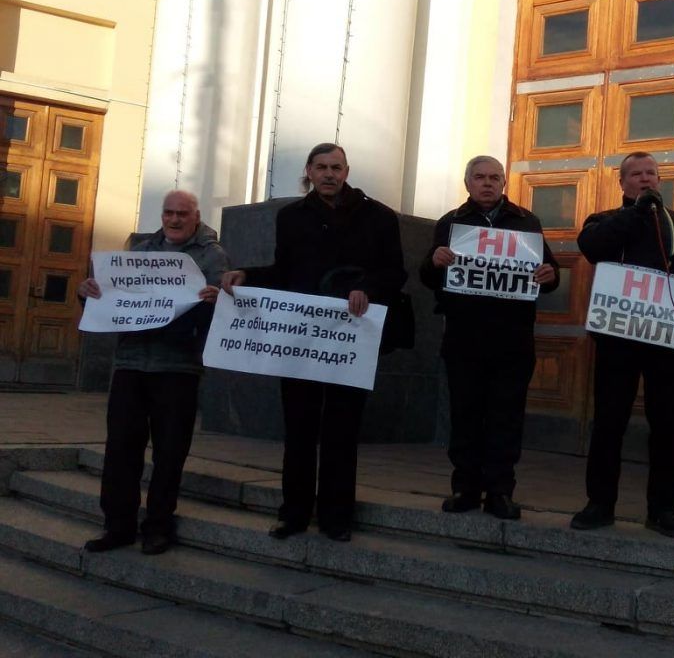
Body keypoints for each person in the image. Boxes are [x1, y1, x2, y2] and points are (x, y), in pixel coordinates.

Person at [221, 143, 405, 542]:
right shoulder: (292, 217)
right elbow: (284, 272)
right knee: (300, 428)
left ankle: (337, 517)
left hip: (350, 339)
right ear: (309, 170)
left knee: (342, 429)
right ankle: (294, 513)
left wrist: (366, 290)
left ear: (346, 170)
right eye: (321, 167)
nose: (328, 174)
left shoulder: (379, 217)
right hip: (301, 340)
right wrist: (246, 276)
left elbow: (395, 272)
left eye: (336, 167)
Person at [571, 151, 674, 538]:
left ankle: (662, 509)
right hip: (618, 339)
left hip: (667, 341)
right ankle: (599, 503)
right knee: (609, 422)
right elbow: (592, 247)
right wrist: (633, 213)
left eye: (651, 173)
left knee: (668, 426)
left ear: (660, 180)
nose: (645, 179)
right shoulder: (605, 219)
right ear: (622, 184)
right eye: (635, 174)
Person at [80, 190, 228, 555]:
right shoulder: (140, 252)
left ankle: (159, 526)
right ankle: (117, 525)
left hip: (178, 367)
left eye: (182, 213)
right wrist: (87, 294)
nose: (174, 219)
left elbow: (224, 306)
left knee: (170, 452)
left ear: (196, 217)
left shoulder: (211, 256)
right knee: (120, 449)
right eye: (168, 213)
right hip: (131, 363)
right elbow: (116, 297)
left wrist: (215, 298)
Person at [420, 156, 559, 520]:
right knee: (465, 416)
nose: (487, 183)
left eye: (494, 177)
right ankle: (465, 488)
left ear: (504, 183)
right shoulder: (451, 223)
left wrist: (550, 274)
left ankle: (500, 491)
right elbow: (428, 275)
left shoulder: (527, 221)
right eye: (480, 177)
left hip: (512, 341)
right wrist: (434, 260)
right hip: (464, 338)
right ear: (468, 183)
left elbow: (548, 271)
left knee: (506, 418)